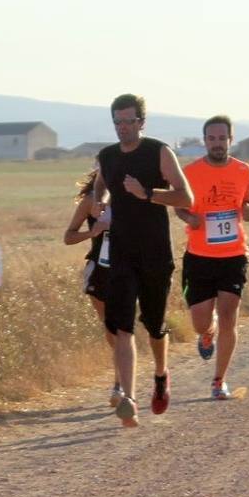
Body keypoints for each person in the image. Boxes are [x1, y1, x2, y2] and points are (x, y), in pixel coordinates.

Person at [93, 94, 194, 426]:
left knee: (153, 324)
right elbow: (101, 186)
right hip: (121, 251)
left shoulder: (158, 152)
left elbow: (185, 196)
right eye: (118, 122)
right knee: (122, 325)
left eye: (130, 121)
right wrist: (101, 204)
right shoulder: (107, 156)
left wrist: (148, 194)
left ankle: (162, 376)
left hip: (154, 252)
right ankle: (130, 398)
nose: (124, 128)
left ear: (142, 122)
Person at [176, 115, 249, 399]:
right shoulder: (190, 172)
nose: (217, 143)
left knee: (229, 315)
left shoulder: (244, 170)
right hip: (199, 256)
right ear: (205, 140)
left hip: (234, 254)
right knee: (200, 320)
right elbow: (179, 207)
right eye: (212, 138)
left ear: (230, 140)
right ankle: (207, 333)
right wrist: (189, 217)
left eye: (222, 138)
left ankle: (219, 381)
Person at [61, 167, 117, 399]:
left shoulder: (135, 197)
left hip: (128, 267)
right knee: (110, 325)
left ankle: (120, 381)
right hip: (99, 269)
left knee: (121, 323)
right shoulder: (90, 201)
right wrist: (92, 232)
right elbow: (68, 236)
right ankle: (121, 373)